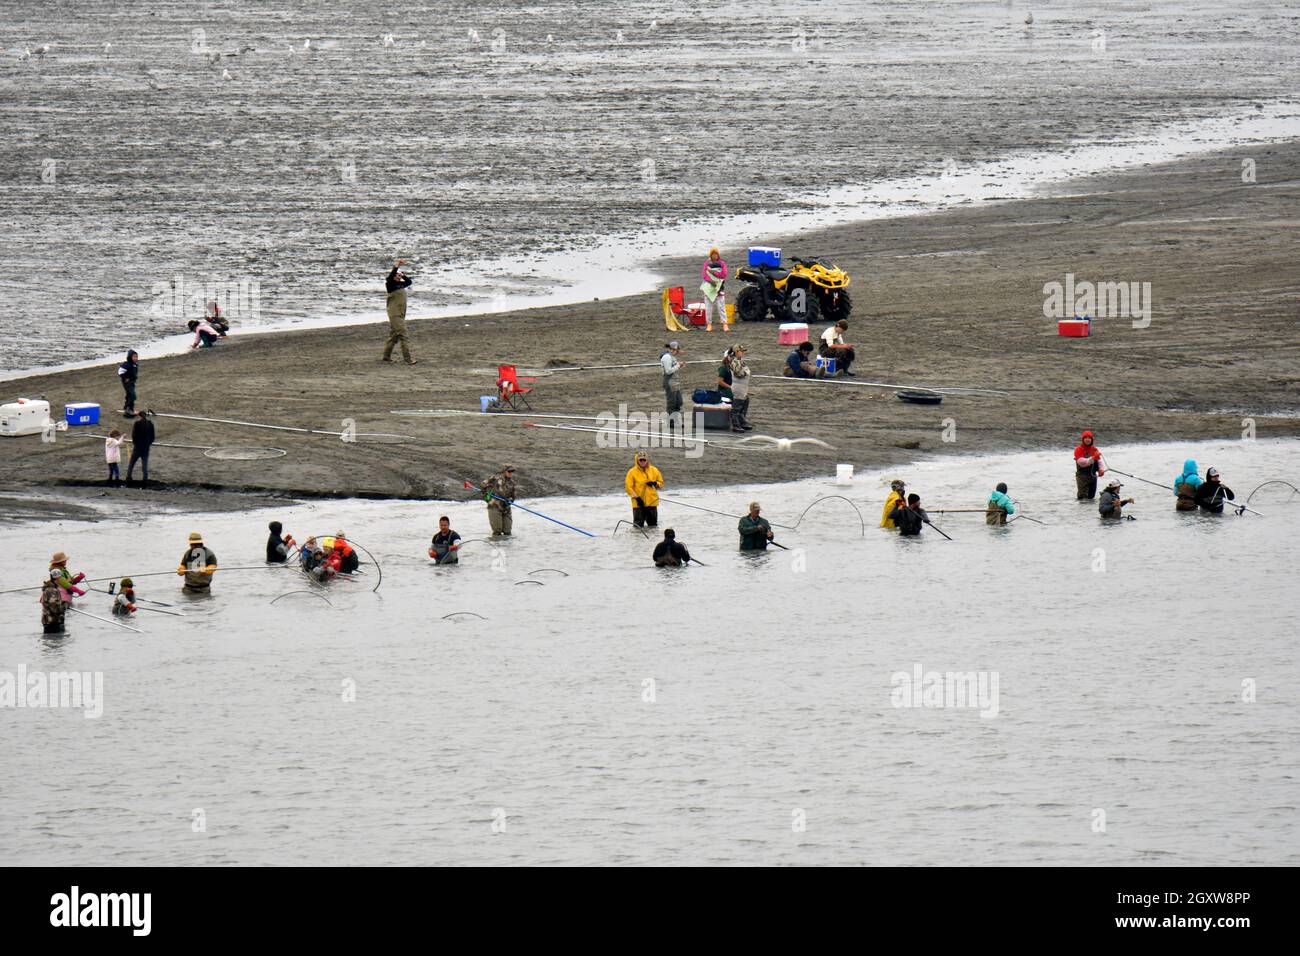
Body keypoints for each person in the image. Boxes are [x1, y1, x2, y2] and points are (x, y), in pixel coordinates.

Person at [382, 258, 418, 365]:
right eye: (397, 275)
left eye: (399, 275)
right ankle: (408, 359)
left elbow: (409, 282)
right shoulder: (390, 285)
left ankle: (386, 356)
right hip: (395, 314)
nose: (398, 276)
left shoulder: (401, 284)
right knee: (403, 335)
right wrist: (397, 265)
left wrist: (403, 275)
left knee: (394, 336)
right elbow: (390, 277)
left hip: (401, 314)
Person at [625, 451, 664, 529]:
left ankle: (651, 540)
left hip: (652, 503)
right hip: (638, 504)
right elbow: (628, 487)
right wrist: (637, 498)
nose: (642, 461)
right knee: (638, 527)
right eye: (640, 460)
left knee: (653, 527)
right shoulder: (632, 472)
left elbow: (661, 483)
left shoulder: (654, 470)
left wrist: (655, 483)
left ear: (647, 460)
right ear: (637, 460)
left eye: (644, 460)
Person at [481, 465, 517, 536]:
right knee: (497, 531)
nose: (511, 473)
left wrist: (510, 500)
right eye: (509, 471)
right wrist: (487, 497)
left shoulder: (512, 483)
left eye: (512, 471)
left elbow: (513, 496)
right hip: (494, 507)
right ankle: (496, 546)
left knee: (508, 532)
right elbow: (483, 485)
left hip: (506, 508)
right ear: (504, 471)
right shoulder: (495, 478)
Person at [700, 247, 728, 332]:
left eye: (716, 254)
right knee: (708, 307)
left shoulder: (722, 263)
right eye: (713, 254)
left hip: (719, 287)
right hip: (709, 287)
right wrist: (711, 281)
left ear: (718, 255)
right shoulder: (707, 263)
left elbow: (724, 274)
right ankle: (709, 324)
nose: (714, 256)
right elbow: (704, 275)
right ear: (710, 255)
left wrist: (714, 273)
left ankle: (725, 324)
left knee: (721, 306)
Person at [728, 344, 754, 431]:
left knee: (744, 403)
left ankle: (741, 422)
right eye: (741, 351)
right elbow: (739, 374)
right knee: (737, 406)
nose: (743, 353)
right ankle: (736, 425)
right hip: (738, 387)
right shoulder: (735, 362)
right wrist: (746, 372)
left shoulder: (739, 361)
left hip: (742, 386)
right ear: (736, 352)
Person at [1073, 430, 1104, 499]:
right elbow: (1081, 462)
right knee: (1082, 498)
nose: (1088, 440)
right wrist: (1093, 458)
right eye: (1086, 438)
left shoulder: (1094, 449)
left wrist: (1101, 470)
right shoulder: (1078, 449)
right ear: (1083, 439)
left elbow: (1099, 461)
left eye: (1089, 438)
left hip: (1093, 477)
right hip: (1082, 477)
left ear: (1092, 440)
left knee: (1091, 498)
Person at [126, 411, 155, 483]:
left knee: (132, 463)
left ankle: (128, 477)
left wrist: (135, 443)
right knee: (144, 464)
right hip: (146, 447)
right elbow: (152, 436)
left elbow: (134, 435)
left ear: (139, 416)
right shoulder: (150, 424)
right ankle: (145, 479)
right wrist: (148, 443)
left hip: (138, 447)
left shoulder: (137, 423)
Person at [661, 341, 683, 433]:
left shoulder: (671, 357)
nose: (676, 352)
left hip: (675, 382)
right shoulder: (666, 357)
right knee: (672, 402)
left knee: (678, 401)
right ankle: (672, 421)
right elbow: (668, 371)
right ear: (670, 349)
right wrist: (678, 365)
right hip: (670, 382)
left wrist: (678, 365)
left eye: (676, 350)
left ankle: (675, 419)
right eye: (675, 350)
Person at [117, 349, 139, 414]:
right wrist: (125, 378)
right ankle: (130, 409)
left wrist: (134, 378)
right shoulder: (127, 364)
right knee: (133, 395)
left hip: (132, 382)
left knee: (129, 395)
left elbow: (133, 373)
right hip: (127, 383)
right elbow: (120, 371)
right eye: (134, 357)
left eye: (136, 357)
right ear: (130, 357)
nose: (136, 358)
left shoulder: (134, 364)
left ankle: (126, 407)